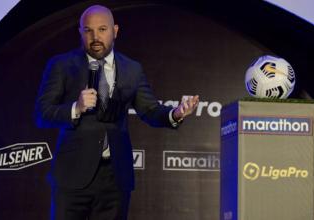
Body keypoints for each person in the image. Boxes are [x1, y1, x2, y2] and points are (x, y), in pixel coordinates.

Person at [35, 5, 199, 220]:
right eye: (88, 30)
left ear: (115, 31)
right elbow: (42, 114)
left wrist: (176, 113)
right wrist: (76, 107)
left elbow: (149, 109)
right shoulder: (62, 65)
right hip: (72, 177)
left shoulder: (132, 69)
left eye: (102, 29)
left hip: (115, 178)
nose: (95, 37)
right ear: (80, 32)